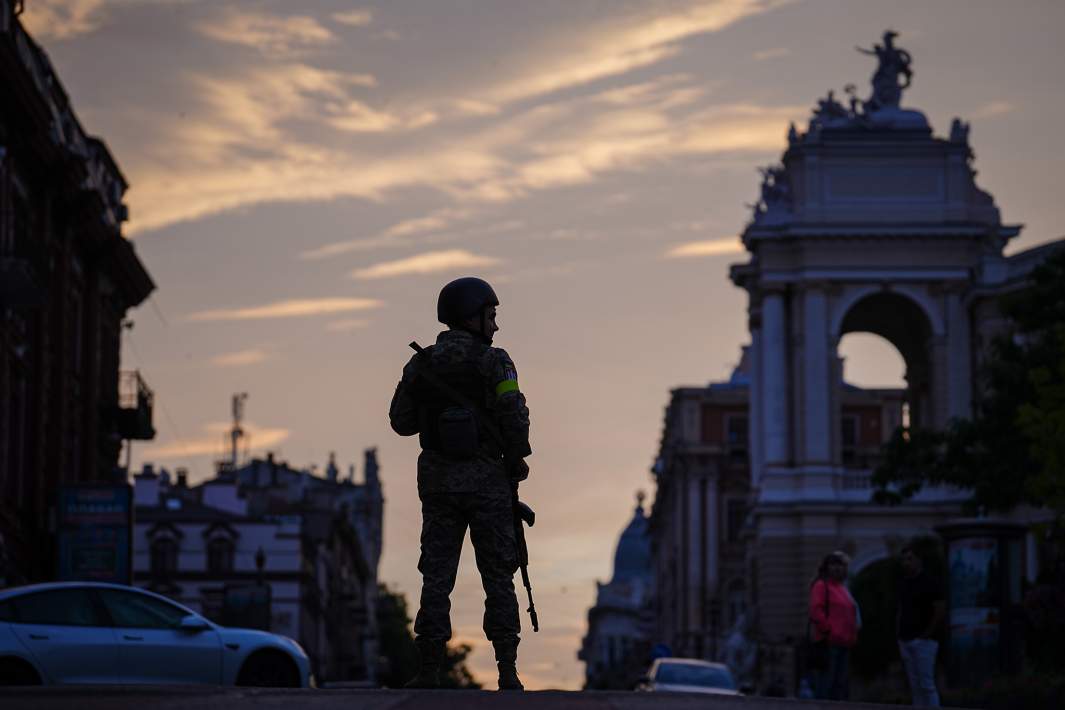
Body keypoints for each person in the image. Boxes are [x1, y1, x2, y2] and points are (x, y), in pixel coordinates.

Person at [389, 276, 532, 691]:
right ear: (472, 317)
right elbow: (514, 415)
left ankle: (429, 668)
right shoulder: (496, 361)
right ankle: (507, 669)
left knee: (435, 576)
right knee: (498, 576)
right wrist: (516, 458)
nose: (496, 325)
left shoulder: (421, 364)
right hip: (488, 485)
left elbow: (400, 422)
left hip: (438, 485)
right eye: (491, 316)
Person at [807, 551, 860, 700]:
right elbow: (816, 610)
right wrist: (828, 630)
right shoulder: (821, 586)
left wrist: (852, 635)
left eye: (840, 565)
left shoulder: (842, 589)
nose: (837, 568)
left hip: (845, 643)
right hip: (828, 643)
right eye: (833, 564)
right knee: (826, 684)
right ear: (826, 567)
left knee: (840, 685)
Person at [897, 546, 945, 706]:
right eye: (904, 559)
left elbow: (939, 610)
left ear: (919, 560)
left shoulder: (930, 582)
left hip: (925, 641)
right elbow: (901, 609)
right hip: (906, 639)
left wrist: (926, 635)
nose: (906, 563)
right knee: (915, 687)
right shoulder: (903, 583)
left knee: (927, 685)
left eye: (910, 558)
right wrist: (899, 635)